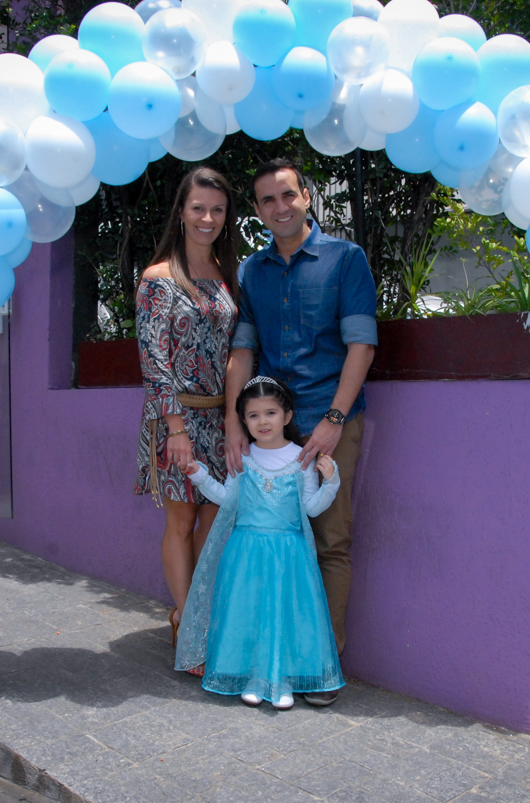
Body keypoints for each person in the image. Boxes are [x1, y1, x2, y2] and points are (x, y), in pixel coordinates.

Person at [224, 158, 377, 707]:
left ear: (307, 196)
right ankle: (271, 661)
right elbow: (242, 349)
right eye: (267, 200)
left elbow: (361, 343)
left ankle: (320, 665)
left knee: (330, 542)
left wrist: (334, 420)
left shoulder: (345, 259)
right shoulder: (252, 272)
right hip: (266, 427)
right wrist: (231, 421)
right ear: (259, 210)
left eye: (287, 195)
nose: (279, 207)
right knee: (271, 543)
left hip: (329, 417)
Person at [175, 377, 343, 709]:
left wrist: (332, 481)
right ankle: (252, 676)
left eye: (270, 413)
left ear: (288, 416)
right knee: (247, 611)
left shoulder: (302, 458)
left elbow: (310, 509)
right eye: (253, 415)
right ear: (244, 421)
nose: (263, 422)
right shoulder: (244, 458)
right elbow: (227, 500)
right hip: (245, 551)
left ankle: (280, 679)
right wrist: (198, 473)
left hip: (288, 553)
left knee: (282, 611)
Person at [133, 167, 239, 653]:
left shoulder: (226, 273)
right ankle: (185, 621)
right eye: (198, 207)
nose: (208, 218)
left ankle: (195, 609)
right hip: (175, 419)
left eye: (217, 209)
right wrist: (176, 428)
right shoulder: (158, 279)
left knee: (216, 518)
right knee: (180, 522)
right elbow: (154, 361)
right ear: (181, 211)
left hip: (220, 420)